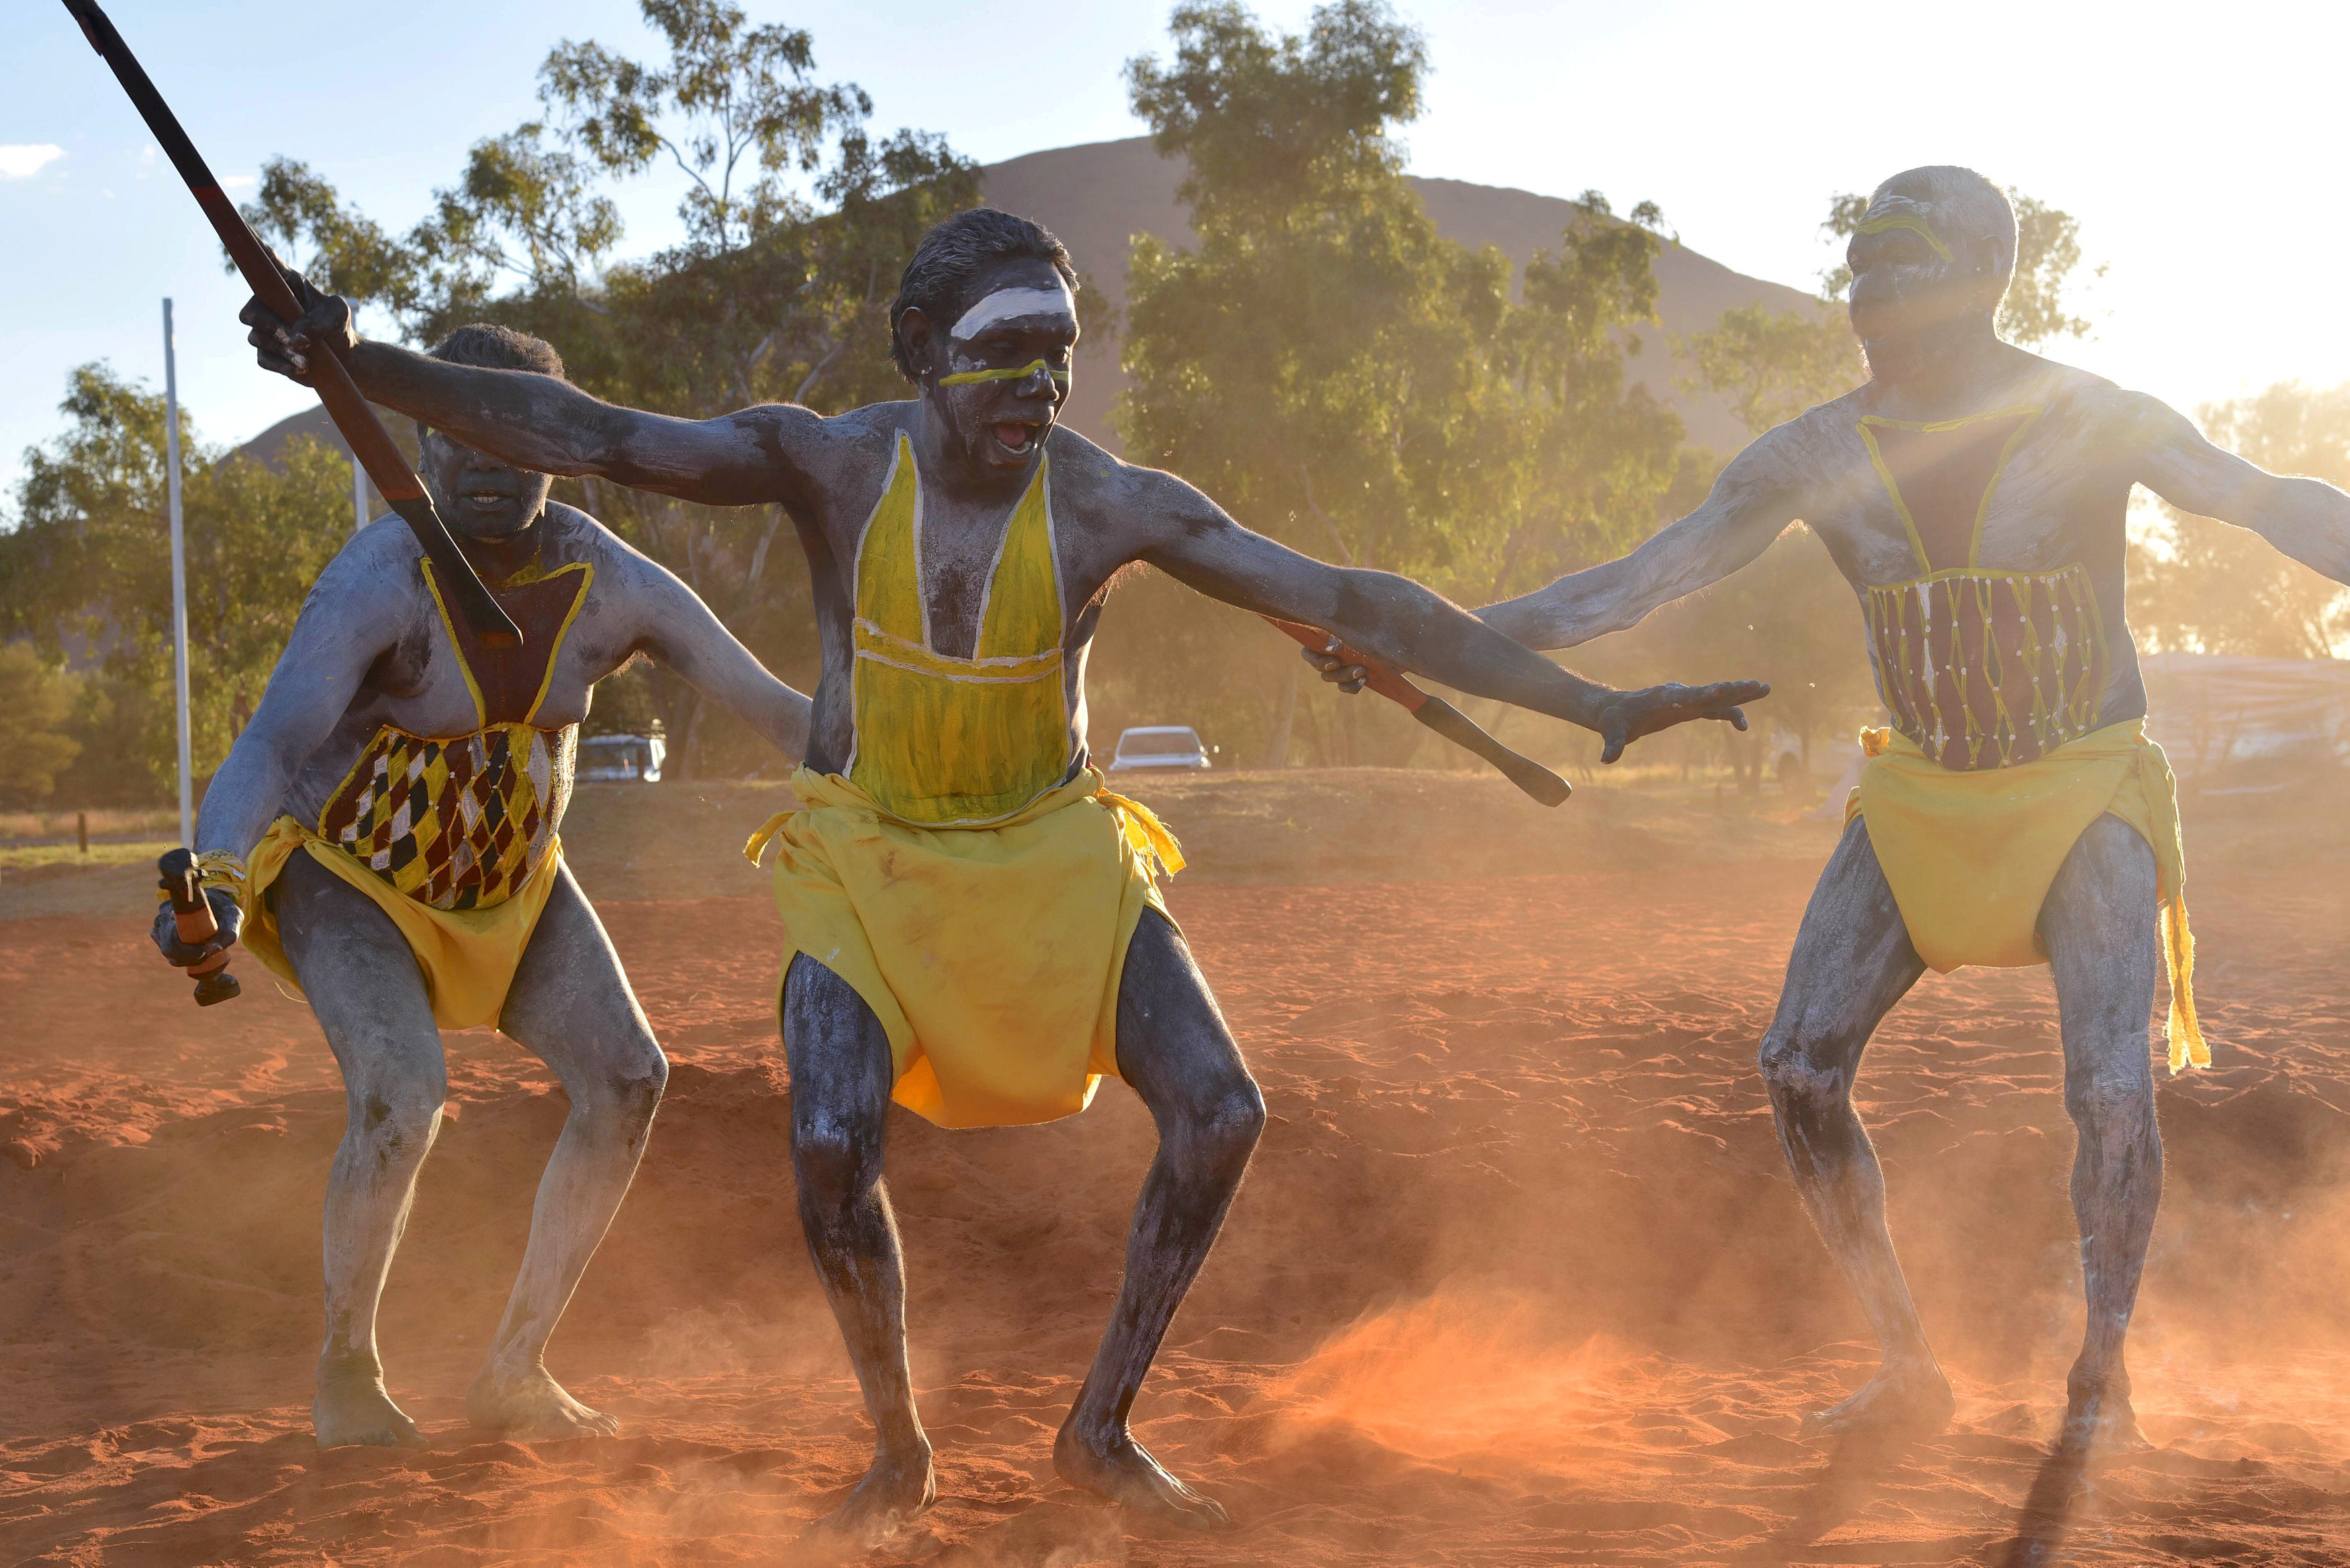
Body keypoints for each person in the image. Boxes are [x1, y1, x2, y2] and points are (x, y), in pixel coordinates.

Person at [239, 207, 1765, 1534]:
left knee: (1223, 1111)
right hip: (873, 861)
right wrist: (353, 362)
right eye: (1001, 354)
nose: (1035, 387)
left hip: (1056, 858)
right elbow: (599, 434)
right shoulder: (826, 466)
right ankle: (898, 1445)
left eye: (1060, 357)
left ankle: (1097, 1426)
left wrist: (1593, 703)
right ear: (917, 350)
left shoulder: (1112, 502)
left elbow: (1360, 598)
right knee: (831, 1150)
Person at [1317, 166, 2350, 1455]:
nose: (1871, 306)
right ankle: (1909, 1370)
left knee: (2108, 1088)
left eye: (1903, 281)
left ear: (1983, 285)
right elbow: (1634, 584)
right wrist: (1426, 642)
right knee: (1798, 1068)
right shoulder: (1812, 455)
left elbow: (2272, 504)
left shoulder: (2094, 419)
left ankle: (2102, 1384)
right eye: (1860, 280)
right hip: (1917, 798)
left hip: (2083, 789)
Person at [151, 324, 812, 1449]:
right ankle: (347, 1372)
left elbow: (775, 709)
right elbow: (271, 744)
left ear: (562, 447)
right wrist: (208, 879)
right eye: (461, 436)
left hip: (515, 886)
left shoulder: (610, 581)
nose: (489, 464)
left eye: (516, 438)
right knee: (405, 1093)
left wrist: (938, 758)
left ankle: (515, 1370)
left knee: (628, 1080)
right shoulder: (380, 581)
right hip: (347, 880)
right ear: (420, 441)